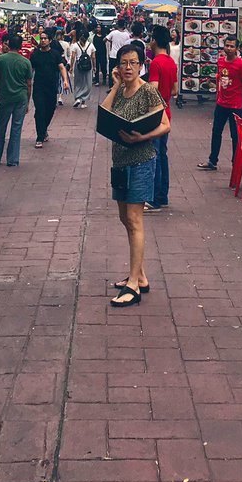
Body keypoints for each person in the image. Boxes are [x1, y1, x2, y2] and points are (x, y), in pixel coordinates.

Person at [100, 43, 170, 307]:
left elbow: (165, 124)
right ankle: (140, 276)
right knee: (124, 218)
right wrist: (116, 85)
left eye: (133, 62)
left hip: (141, 161)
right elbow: (104, 114)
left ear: (141, 65)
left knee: (134, 218)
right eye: (123, 63)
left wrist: (143, 136)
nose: (128, 67)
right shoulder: (121, 91)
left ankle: (133, 284)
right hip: (119, 162)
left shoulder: (148, 92)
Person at [197, 36, 242, 171]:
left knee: (235, 135)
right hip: (221, 103)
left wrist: (240, 94)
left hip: (235, 105)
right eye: (227, 45)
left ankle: (236, 162)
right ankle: (212, 161)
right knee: (216, 132)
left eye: (232, 46)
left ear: (237, 49)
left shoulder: (241, 65)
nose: (229, 48)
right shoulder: (220, 61)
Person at [145, 25, 177, 212]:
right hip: (168, 114)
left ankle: (155, 200)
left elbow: (153, 88)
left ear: (154, 41)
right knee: (162, 155)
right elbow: (174, 90)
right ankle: (163, 196)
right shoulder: (171, 62)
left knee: (154, 156)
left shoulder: (156, 63)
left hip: (156, 116)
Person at [0, 33, 33, 166]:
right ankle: (13, 159)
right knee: (16, 128)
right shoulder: (25, 62)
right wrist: (27, 100)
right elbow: (29, 83)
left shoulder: (0, 60)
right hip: (21, 97)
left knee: (0, 126)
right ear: (20, 46)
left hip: (5, 97)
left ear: (9, 45)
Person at [29, 30, 68, 147]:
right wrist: (28, 82)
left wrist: (65, 80)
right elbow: (31, 69)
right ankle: (39, 137)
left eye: (45, 38)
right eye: (41, 38)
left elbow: (61, 67)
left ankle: (43, 129)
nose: (43, 40)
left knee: (50, 110)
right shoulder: (35, 54)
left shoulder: (55, 54)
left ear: (50, 40)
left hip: (51, 87)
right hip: (38, 87)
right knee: (40, 110)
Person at [68, 25, 95, 108]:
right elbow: (93, 57)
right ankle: (83, 101)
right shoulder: (91, 45)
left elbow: (73, 57)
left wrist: (71, 67)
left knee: (77, 82)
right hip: (88, 66)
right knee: (87, 83)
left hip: (78, 65)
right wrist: (94, 67)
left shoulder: (75, 45)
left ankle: (77, 98)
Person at [169, 29, 183, 108]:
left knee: (177, 79)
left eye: (174, 32)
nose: (172, 33)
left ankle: (178, 96)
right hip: (171, 63)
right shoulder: (169, 44)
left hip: (178, 64)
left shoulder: (180, 44)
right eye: (171, 32)